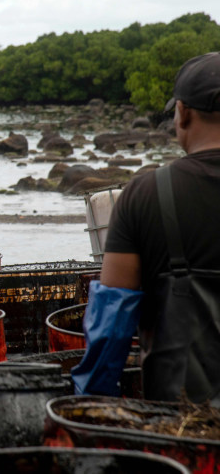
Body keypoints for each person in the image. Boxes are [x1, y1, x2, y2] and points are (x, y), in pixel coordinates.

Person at [71, 52, 220, 405]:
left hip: (181, 427)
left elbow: (111, 326)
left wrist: (93, 410)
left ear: (181, 113)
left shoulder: (146, 194)